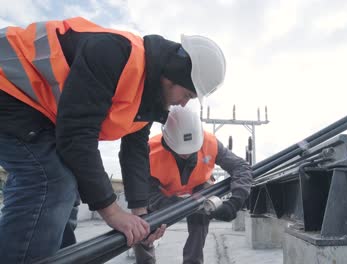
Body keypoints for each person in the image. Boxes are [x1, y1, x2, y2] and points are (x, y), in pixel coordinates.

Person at [0, 17, 226, 263]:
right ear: (173, 76)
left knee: (67, 187)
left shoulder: (148, 100)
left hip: (38, 110)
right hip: (8, 85)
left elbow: (134, 153)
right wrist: (112, 212)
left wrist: (142, 216)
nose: (183, 103)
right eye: (187, 94)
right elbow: (77, 135)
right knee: (51, 183)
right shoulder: (114, 53)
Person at [133, 106, 253, 264]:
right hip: (162, 192)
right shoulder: (150, 151)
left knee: (200, 216)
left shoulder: (210, 143)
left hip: (199, 187)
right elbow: (146, 194)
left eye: (191, 150)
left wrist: (235, 202)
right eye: (181, 152)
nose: (187, 154)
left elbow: (241, 167)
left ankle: (193, 261)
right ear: (167, 141)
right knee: (140, 225)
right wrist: (178, 206)